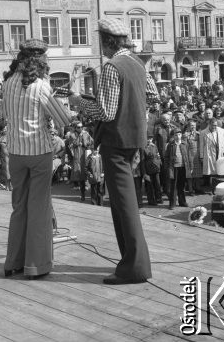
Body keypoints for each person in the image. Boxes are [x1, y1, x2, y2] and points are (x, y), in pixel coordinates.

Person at [69, 18, 158, 285]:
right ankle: (131, 262)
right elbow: (152, 96)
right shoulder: (137, 63)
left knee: (124, 206)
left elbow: (105, 112)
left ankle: (134, 267)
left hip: (116, 141)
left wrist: (78, 102)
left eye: (101, 41)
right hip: (134, 140)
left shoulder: (112, 67)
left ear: (108, 41)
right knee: (123, 203)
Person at [1, 39, 60, 279]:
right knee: (39, 209)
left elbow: (5, 115)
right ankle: (36, 265)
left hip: (15, 152)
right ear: (41, 59)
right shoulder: (42, 86)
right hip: (39, 152)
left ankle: (12, 262)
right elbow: (62, 118)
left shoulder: (7, 83)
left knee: (19, 208)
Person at [164, 128, 189, 209]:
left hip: (183, 167)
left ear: (181, 135)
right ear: (173, 136)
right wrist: (167, 167)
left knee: (181, 186)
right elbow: (166, 157)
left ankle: (182, 202)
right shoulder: (170, 145)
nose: (177, 136)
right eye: (175, 135)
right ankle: (172, 203)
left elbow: (188, 156)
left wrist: (190, 167)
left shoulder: (185, 144)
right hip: (173, 168)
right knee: (173, 186)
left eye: (179, 134)